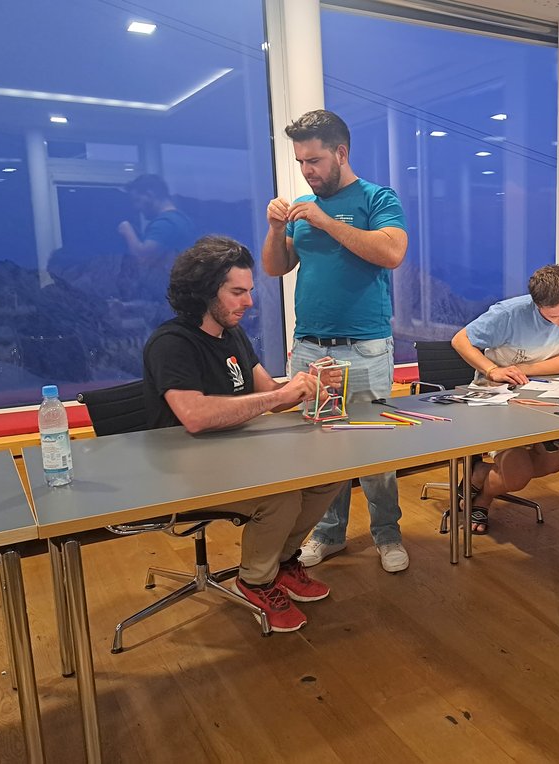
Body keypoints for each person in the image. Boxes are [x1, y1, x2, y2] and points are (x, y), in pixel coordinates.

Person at [143, 235, 345, 632]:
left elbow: (268, 394)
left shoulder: (231, 335)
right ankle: (255, 580)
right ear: (204, 291)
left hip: (234, 458)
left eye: (249, 291)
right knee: (281, 494)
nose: (248, 302)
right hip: (182, 471)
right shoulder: (171, 343)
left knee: (329, 477)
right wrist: (278, 398)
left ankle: (283, 563)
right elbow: (195, 416)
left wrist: (308, 385)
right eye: (237, 292)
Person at [262, 109, 410, 573]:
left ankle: (387, 533)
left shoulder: (377, 198)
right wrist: (275, 229)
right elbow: (275, 267)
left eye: (315, 160)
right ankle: (329, 534)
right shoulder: (303, 209)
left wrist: (327, 222)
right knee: (321, 448)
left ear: (340, 153)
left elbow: (391, 252)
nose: (307, 171)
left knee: (374, 449)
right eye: (301, 162)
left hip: (364, 346)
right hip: (310, 348)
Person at [450, 264, 559, 534]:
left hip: (539, 398)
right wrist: (494, 370)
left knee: (555, 461)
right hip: (495, 398)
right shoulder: (508, 314)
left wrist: (522, 371)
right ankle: (484, 500)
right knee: (517, 474)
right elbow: (460, 340)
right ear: (536, 305)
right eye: (553, 316)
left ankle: (479, 474)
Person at [118, 174, 196, 316]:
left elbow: (142, 257)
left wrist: (127, 231)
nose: (136, 207)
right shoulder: (182, 219)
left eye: (137, 200)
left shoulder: (165, 223)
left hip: (173, 307)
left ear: (150, 194)